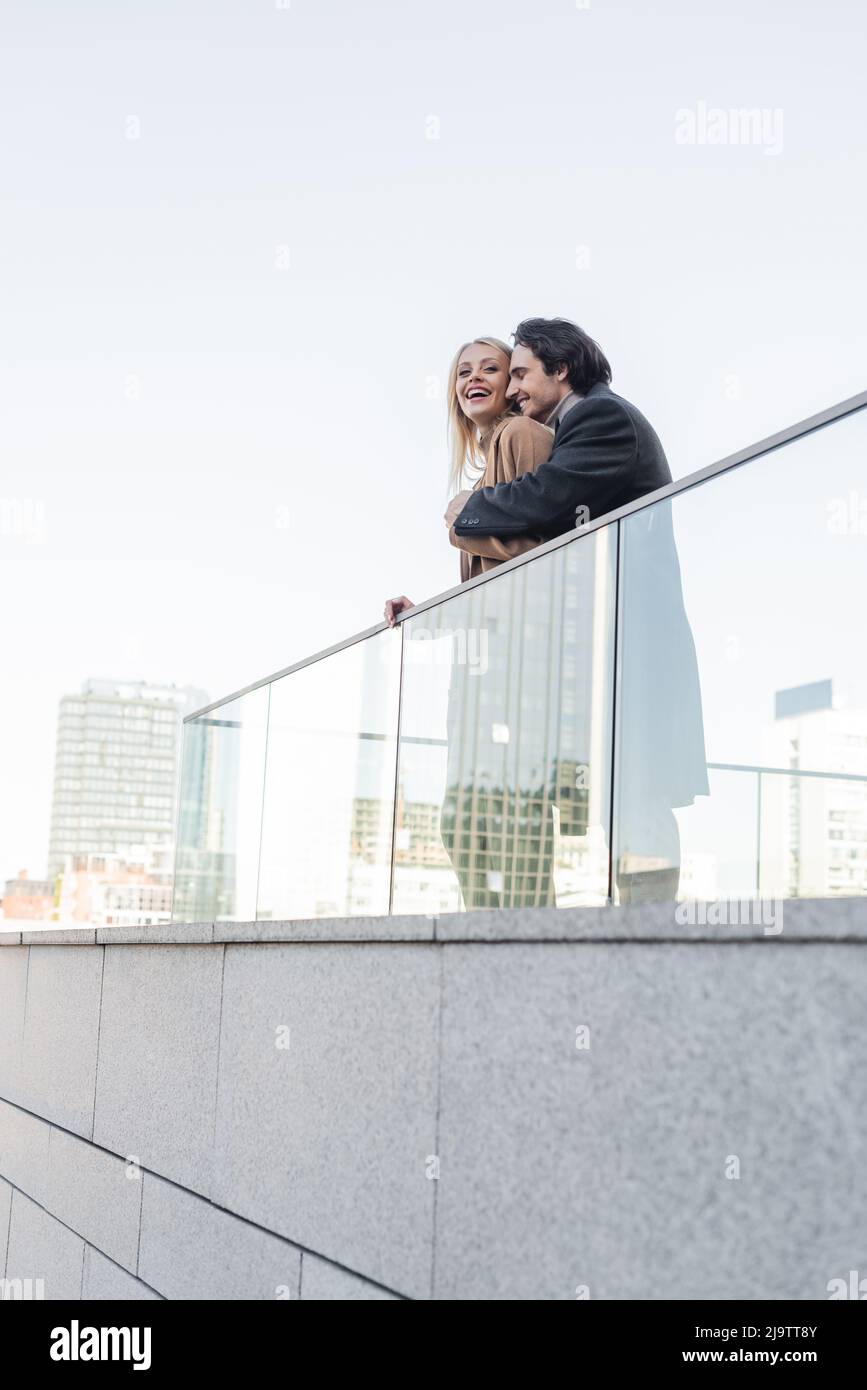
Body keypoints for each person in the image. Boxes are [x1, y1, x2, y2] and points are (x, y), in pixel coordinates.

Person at [384, 337, 555, 910]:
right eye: (463, 372)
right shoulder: (488, 463)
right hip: (486, 668)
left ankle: (526, 955)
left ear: (512, 382)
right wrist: (426, 615)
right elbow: (493, 584)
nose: (474, 378)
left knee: (516, 827)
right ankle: (492, 949)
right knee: (466, 827)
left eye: (491, 368)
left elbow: (545, 550)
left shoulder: (522, 436)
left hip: (521, 671)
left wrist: (464, 521)